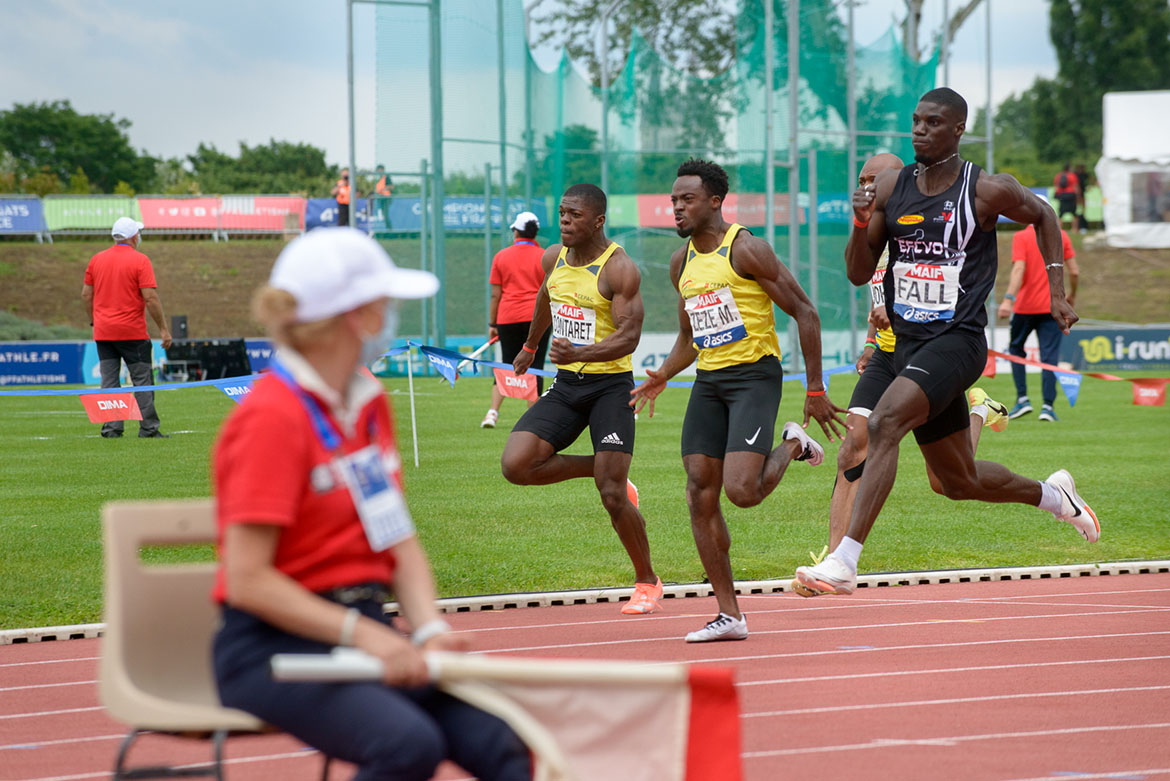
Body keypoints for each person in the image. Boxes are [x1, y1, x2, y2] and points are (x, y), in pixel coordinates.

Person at [211, 227, 531, 781]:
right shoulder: (270, 418)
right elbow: (247, 580)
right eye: (385, 301)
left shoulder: (367, 404)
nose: (392, 314)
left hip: (362, 625)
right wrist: (365, 636)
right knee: (406, 745)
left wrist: (428, 628)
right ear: (356, 315)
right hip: (270, 647)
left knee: (501, 745)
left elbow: (395, 535)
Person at [794, 88, 1099, 599]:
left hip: (957, 343)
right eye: (915, 121)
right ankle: (1055, 495)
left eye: (933, 123)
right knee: (957, 481)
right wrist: (860, 220)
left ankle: (844, 560)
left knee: (884, 421)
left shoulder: (985, 189)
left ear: (957, 130)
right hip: (909, 347)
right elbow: (856, 273)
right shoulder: (892, 188)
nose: (919, 130)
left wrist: (1056, 293)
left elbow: (1044, 214)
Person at [629, 159, 846, 641]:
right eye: (672, 201)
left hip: (754, 376)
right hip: (710, 383)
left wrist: (814, 390)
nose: (677, 208)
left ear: (714, 200)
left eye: (686, 199)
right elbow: (690, 336)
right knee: (697, 490)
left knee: (742, 492)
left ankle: (793, 443)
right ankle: (730, 614)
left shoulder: (746, 249)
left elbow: (805, 311)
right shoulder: (679, 262)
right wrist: (663, 372)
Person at [811, 154, 1009, 581]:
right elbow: (871, 290)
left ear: (898, 179)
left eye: (874, 178)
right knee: (854, 443)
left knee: (948, 481)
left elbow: (936, 284)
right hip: (886, 354)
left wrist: (900, 314)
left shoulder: (916, 216)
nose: (866, 184)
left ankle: (978, 411)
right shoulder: (873, 219)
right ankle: (834, 557)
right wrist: (869, 342)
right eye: (861, 177)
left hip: (931, 353)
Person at [504, 184, 663, 616]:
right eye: (561, 213)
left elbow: (630, 336)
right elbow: (547, 297)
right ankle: (604, 466)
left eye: (574, 215)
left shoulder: (619, 269)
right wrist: (531, 345)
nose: (564, 221)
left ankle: (647, 582)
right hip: (568, 385)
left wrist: (581, 352)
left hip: (610, 387)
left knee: (611, 494)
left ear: (597, 221)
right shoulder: (552, 256)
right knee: (517, 465)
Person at [81, 217, 172, 439]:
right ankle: (148, 429)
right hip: (132, 332)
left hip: (104, 333)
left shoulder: (96, 260)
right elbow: (150, 297)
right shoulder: (140, 260)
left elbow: (86, 294)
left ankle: (112, 428)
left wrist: (95, 320)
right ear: (132, 237)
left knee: (109, 381)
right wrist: (163, 329)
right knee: (142, 379)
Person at [998, 222, 1079, 422]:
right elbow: (1074, 272)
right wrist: (1071, 298)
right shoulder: (1061, 236)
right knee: (1049, 357)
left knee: (1016, 350)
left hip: (1024, 308)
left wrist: (1008, 299)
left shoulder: (1022, 236)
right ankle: (1048, 407)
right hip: (1052, 308)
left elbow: (1019, 269)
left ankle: (1023, 399)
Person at [481, 210, 551, 428]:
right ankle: (533, 420)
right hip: (537, 318)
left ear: (516, 232)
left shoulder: (501, 256)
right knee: (535, 366)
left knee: (505, 364)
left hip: (508, 317)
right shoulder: (545, 256)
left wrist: (493, 324)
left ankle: (492, 413)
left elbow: (496, 294)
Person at [1053, 163, 1079, 229]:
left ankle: (1059, 229)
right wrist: (1078, 196)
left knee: (1061, 214)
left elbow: (1055, 186)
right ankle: (1074, 229)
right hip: (1071, 195)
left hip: (1062, 195)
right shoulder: (1072, 175)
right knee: (1074, 214)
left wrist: (1056, 194)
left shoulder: (1058, 175)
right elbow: (1075, 186)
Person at [1073, 163, 1089, 233]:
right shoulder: (1075, 175)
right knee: (1078, 210)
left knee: (1082, 210)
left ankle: (1082, 221)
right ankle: (1078, 225)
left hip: (1082, 194)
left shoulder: (1084, 174)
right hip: (1077, 195)